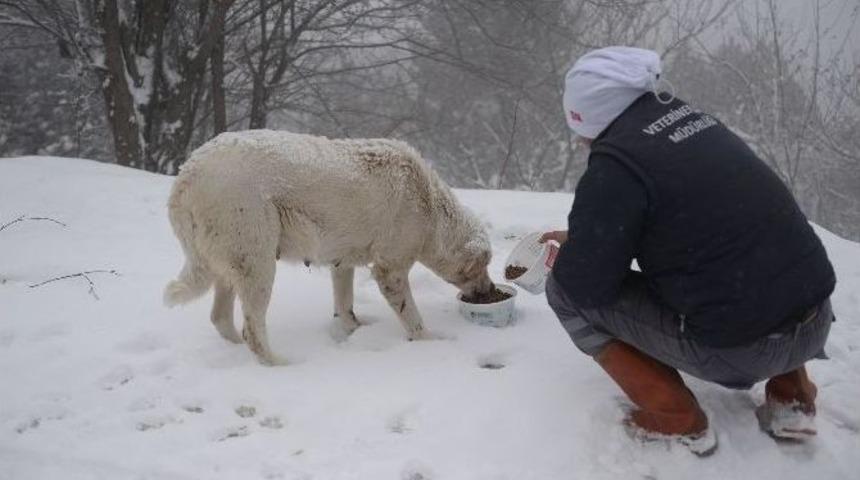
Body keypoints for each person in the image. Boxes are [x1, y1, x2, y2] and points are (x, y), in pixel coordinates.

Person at [542, 46, 836, 456]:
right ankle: (793, 399)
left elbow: (586, 285)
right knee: (758, 263)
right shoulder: (695, 123)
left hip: (742, 349)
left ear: (589, 118)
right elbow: (709, 223)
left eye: (580, 131)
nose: (580, 142)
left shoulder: (616, 167)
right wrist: (589, 240)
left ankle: (675, 417)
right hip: (816, 317)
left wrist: (576, 257)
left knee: (563, 291)